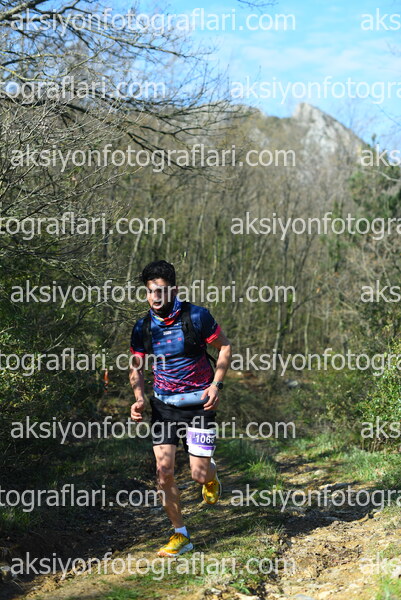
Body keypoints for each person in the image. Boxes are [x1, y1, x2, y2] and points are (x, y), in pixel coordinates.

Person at [129, 260, 231, 557]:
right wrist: (139, 397)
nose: (155, 297)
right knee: (164, 472)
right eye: (151, 291)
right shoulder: (143, 327)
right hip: (164, 407)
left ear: (174, 290)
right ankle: (181, 534)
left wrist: (216, 385)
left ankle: (210, 475)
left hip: (200, 404)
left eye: (161, 291)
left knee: (198, 474)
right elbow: (136, 366)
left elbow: (225, 347)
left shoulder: (197, 316)